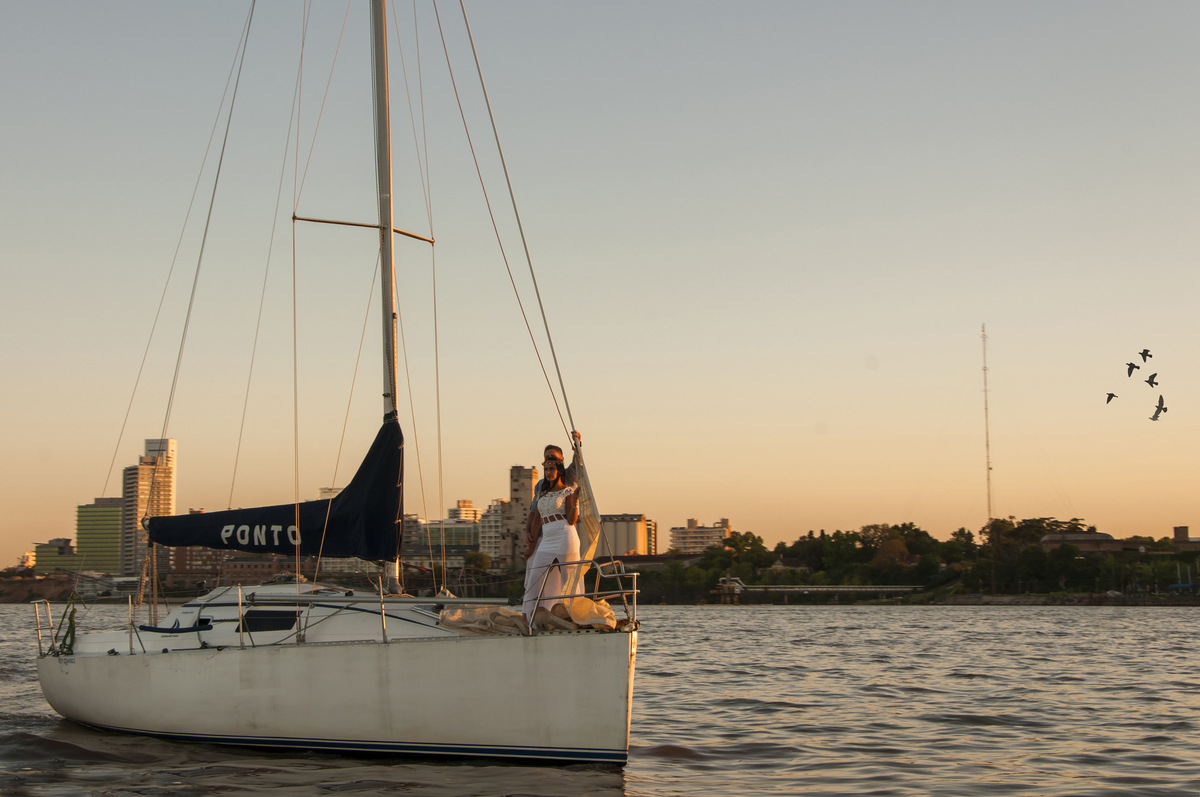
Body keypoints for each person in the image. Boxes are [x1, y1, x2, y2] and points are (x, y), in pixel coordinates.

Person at [522, 431, 583, 626]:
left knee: (569, 579)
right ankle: (528, 617)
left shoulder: (569, 482)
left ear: (559, 463)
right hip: (546, 537)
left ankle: (577, 617)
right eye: (546, 462)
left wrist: (578, 445)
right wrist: (530, 541)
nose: (549, 467)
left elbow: (577, 463)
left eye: (553, 462)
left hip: (565, 534)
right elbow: (535, 515)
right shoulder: (540, 488)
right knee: (534, 577)